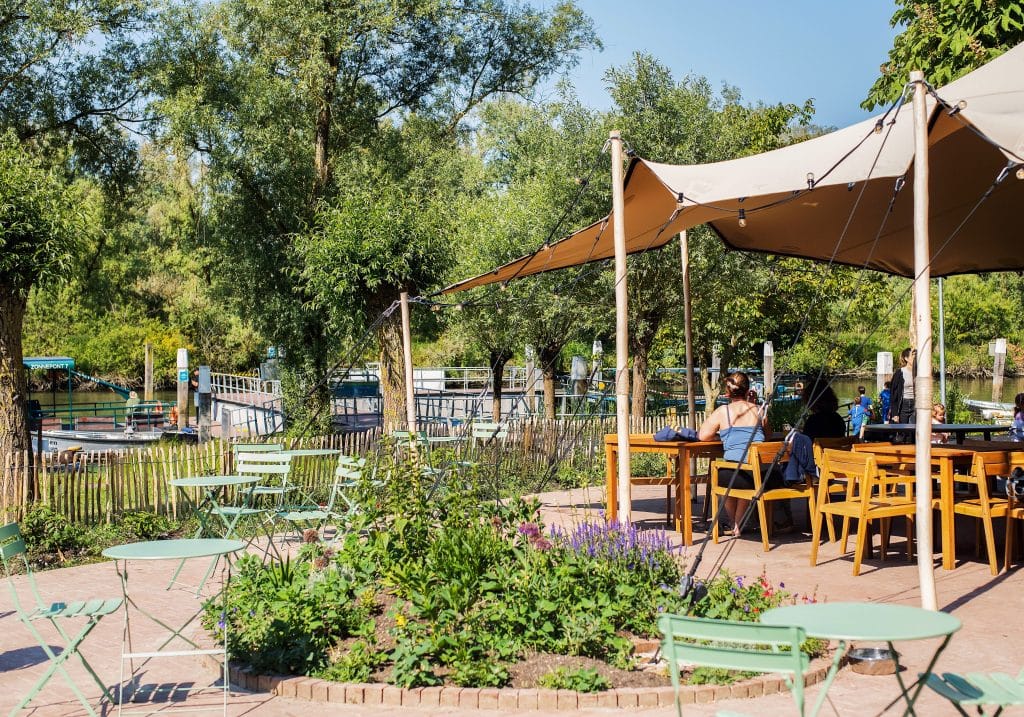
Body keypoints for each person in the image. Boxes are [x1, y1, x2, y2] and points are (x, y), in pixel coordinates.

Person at [698, 371, 774, 537]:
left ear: (727, 392)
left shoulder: (723, 411)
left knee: (729, 473)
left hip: (733, 474)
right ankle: (737, 524)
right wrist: (753, 403)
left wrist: (723, 436)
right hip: (759, 474)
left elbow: (703, 436)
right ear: (748, 391)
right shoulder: (759, 411)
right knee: (747, 470)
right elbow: (768, 436)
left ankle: (735, 523)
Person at [889, 347, 916, 425]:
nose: (915, 357)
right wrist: (894, 414)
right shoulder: (900, 373)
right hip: (903, 405)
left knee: (914, 430)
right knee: (902, 431)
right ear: (906, 358)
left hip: (915, 405)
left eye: (916, 355)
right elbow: (893, 394)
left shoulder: (919, 372)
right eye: (912, 355)